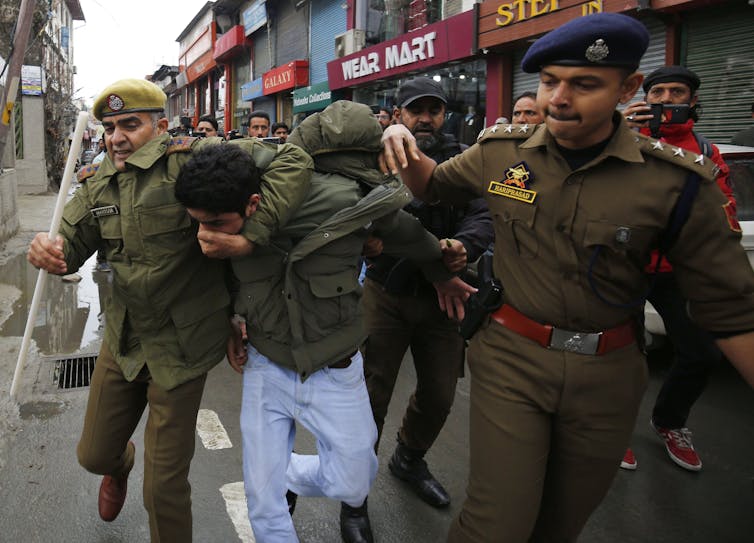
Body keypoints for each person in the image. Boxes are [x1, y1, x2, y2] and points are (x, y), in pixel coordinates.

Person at [380, 13, 754, 542]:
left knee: (559, 525)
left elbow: (732, 311)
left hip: (609, 372)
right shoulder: (501, 152)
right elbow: (434, 186)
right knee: (494, 525)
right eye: (551, 81)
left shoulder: (675, 181)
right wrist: (401, 139)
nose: (559, 98)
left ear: (626, 89)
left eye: (584, 85)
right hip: (511, 356)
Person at [27, 78, 313, 542]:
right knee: (94, 455)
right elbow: (70, 246)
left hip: (183, 347)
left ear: (159, 125)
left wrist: (251, 234)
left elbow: (293, 159)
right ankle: (119, 466)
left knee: (163, 487)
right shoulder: (97, 182)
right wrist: (50, 251)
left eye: (130, 125)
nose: (117, 137)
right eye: (111, 127)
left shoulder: (195, 160)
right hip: (124, 340)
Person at [174, 101, 468, 543]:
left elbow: (410, 236)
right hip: (265, 362)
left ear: (253, 204)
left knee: (353, 478)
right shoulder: (232, 189)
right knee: (264, 504)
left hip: (335, 366)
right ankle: (271, 479)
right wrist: (230, 322)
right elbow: (214, 277)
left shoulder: (350, 202)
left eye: (216, 225)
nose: (207, 236)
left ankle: (281, 473)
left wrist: (442, 271)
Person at [362, 77, 494, 509]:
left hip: (446, 301)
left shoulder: (464, 160)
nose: (425, 118)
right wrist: (437, 261)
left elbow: (485, 214)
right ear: (397, 114)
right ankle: (354, 484)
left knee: (439, 393)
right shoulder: (377, 160)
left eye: (433, 110)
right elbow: (381, 224)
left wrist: (464, 246)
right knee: (371, 394)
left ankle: (409, 458)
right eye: (415, 110)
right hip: (387, 294)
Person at [620, 65, 734, 472]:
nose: (666, 100)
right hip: (624, 267)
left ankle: (669, 421)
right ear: (644, 99)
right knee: (622, 355)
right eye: (658, 93)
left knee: (702, 353)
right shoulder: (621, 139)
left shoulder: (705, 150)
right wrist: (623, 134)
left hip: (676, 272)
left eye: (677, 92)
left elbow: (723, 208)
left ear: (693, 100)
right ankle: (613, 429)